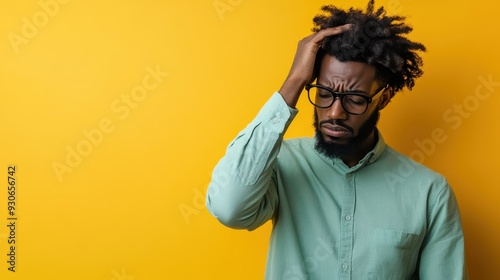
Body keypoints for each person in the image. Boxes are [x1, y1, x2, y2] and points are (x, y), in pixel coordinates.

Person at [206, 1, 468, 279]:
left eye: (355, 99)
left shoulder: (429, 192)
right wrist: (294, 81)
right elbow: (229, 208)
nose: (334, 113)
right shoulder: (279, 164)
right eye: (323, 93)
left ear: (385, 99)